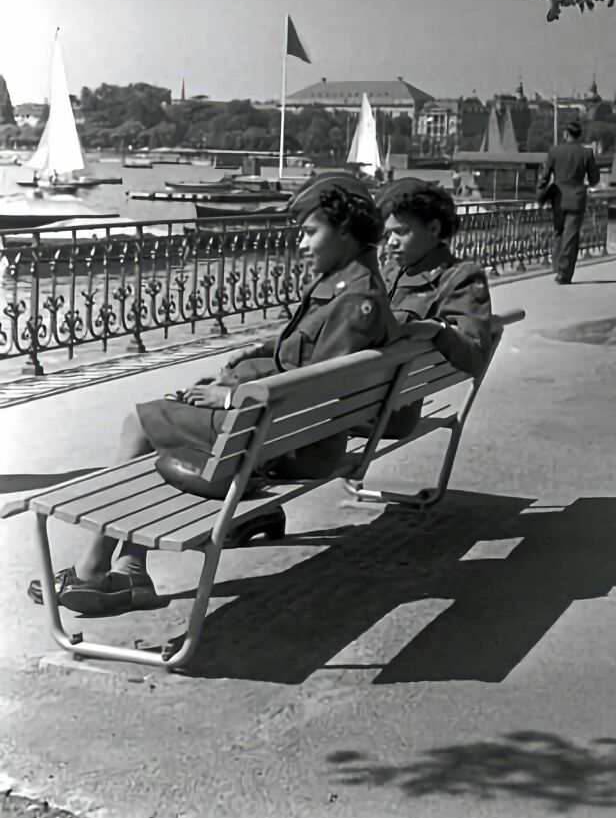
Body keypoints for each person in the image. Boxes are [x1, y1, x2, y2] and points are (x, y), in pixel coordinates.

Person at [27, 173, 398, 615]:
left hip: (288, 443)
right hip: (293, 434)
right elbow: (304, 367)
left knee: (141, 423)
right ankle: (127, 570)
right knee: (173, 409)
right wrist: (237, 375)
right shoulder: (355, 287)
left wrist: (228, 398)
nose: (301, 243)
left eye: (310, 232)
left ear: (346, 232)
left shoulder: (353, 302)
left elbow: (312, 388)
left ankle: (95, 570)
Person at [374, 178, 493, 437]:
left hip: (382, 411)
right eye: (388, 233)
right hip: (358, 398)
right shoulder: (391, 271)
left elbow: (474, 354)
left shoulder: (459, 278)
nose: (391, 242)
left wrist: (437, 329)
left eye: (401, 232)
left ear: (433, 228)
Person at [537, 118, 600, 284]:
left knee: (558, 233)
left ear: (566, 134)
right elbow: (594, 179)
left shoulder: (554, 152)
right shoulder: (587, 153)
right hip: (576, 199)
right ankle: (563, 273)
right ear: (579, 135)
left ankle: (557, 265)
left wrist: (539, 194)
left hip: (557, 199)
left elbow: (544, 178)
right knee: (570, 236)